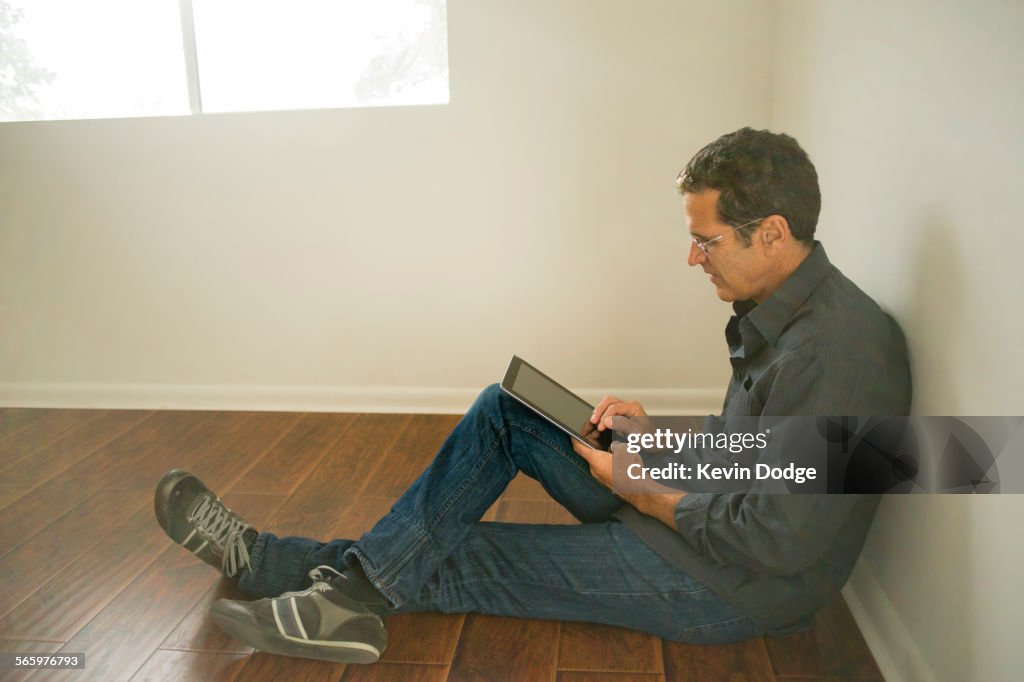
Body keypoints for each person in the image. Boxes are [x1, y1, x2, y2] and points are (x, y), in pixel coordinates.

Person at [154, 127, 911, 663]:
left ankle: (275, 568)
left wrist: (644, 492)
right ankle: (335, 587)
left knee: (462, 549)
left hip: (726, 583)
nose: (692, 257)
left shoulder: (839, 354)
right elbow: (759, 450)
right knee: (505, 408)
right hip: (700, 513)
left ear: (772, 232)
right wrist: (661, 437)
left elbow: (779, 542)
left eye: (706, 241)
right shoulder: (793, 312)